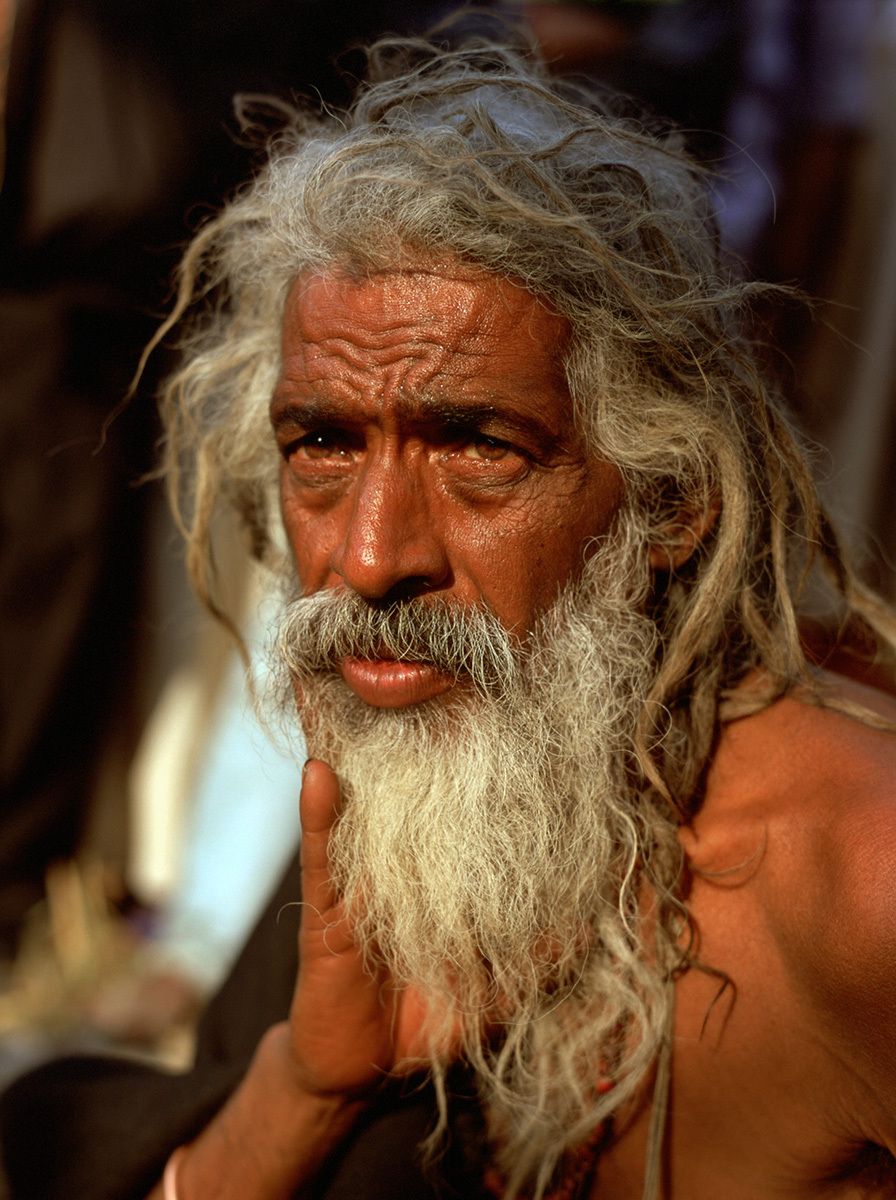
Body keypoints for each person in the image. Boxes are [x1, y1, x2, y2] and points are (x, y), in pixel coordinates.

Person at [3, 31, 896, 1200]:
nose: (370, 557)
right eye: (322, 444)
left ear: (670, 502)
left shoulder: (857, 891)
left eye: (478, 448)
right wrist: (303, 1094)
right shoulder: (424, 784)